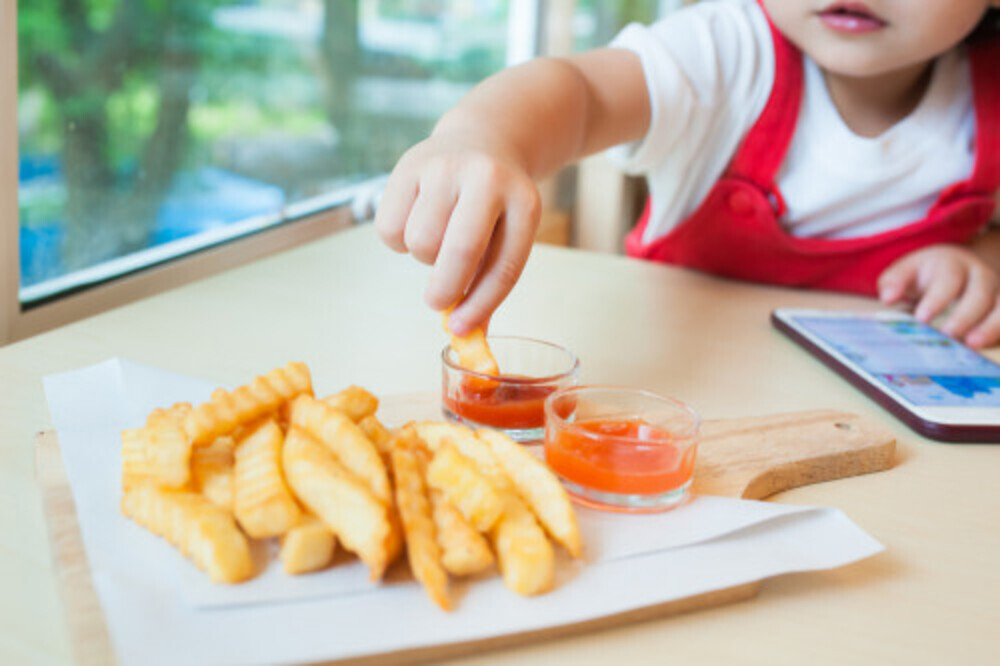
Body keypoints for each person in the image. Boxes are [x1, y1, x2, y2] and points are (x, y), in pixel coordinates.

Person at [374, 0, 1000, 348]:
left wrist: (981, 264)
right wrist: (484, 135)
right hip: (670, 425)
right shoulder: (729, 51)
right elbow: (584, 92)